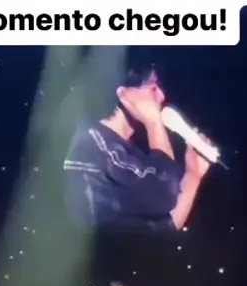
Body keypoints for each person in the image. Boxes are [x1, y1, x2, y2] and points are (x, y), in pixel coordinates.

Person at [64, 67, 211, 233]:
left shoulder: (124, 155)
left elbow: (162, 228)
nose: (161, 97)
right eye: (153, 87)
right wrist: (154, 123)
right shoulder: (94, 144)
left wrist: (193, 174)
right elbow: (164, 195)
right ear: (124, 93)